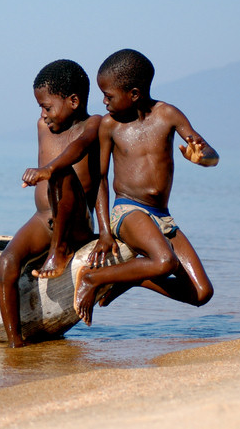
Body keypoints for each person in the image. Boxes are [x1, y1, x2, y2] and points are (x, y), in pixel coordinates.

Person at [74, 49, 218, 326]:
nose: (103, 101)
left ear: (135, 94)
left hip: (162, 217)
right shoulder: (109, 126)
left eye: (109, 95)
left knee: (202, 293)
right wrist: (104, 232)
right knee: (165, 262)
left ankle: (136, 277)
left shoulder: (168, 115)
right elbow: (100, 179)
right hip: (127, 211)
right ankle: (92, 277)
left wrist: (204, 159)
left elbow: (210, 153)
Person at [0, 59, 101, 347]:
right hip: (43, 218)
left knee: (61, 171)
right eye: (40, 107)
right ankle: (15, 345)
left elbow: (78, 148)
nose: (43, 114)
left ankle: (60, 249)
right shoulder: (43, 125)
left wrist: (48, 169)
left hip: (76, 224)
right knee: (7, 262)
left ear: (74, 101)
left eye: (47, 106)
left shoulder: (94, 125)